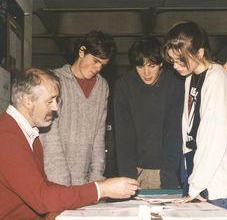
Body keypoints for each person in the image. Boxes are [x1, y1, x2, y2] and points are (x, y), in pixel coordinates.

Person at [0, 68, 139, 220]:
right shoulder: (6, 138)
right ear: (27, 101)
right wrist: (101, 189)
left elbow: (44, 187)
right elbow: (43, 198)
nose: (55, 107)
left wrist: (95, 189)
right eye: (50, 100)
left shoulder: (27, 133)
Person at [161, 20, 227, 211]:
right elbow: (189, 131)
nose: (176, 66)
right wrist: (189, 179)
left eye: (181, 60)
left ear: (200, 52)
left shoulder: (217, 78)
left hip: (218, 186)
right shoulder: (190, 78)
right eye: (172, 61)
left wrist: (196, 186)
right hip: (199, 177)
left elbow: (214, 139)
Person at [40, 30, 117, 186]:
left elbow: (99, 134)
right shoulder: (54, 80)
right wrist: (60, 181)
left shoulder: (102, 87)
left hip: (84, 180)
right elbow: (49, 136)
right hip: (53, 178)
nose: (98, 68)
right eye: (95, 61)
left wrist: (96, 176)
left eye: (102, 64)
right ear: (82, 51)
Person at [113, 36, 184, 189]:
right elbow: (123, 137)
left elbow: (174, 133)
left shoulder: (175, 84)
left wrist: (169, 177)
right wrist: (128, 177)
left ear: (161, 63)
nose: (146, 73)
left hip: (168, 169)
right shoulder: (123, 86)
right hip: (136, 171)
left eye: (152, 66)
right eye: (140, 66)